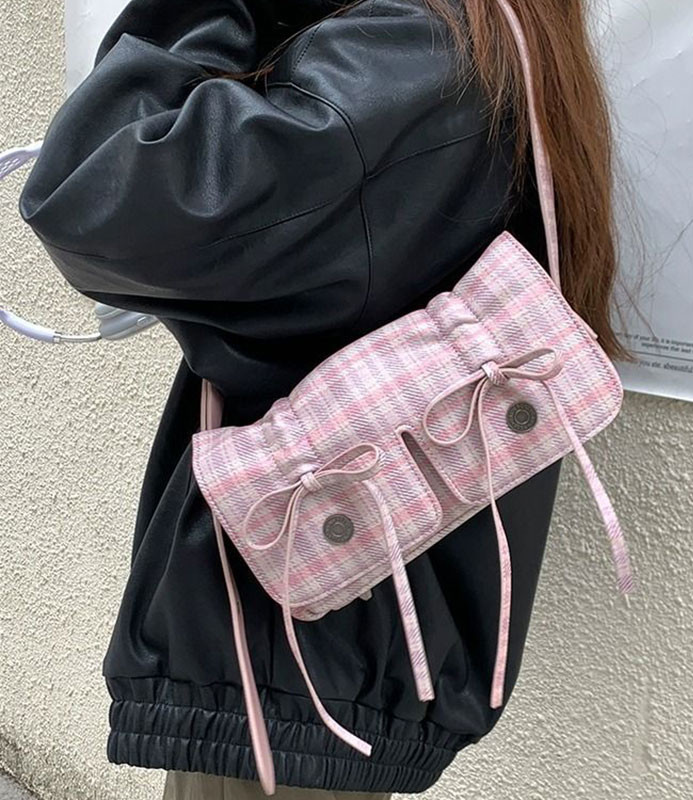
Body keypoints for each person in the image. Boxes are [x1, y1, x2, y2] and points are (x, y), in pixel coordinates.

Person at [18, 0, 624, 797]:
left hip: (289, 654)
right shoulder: (462, 43)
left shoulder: (398, 51)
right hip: (326, 644)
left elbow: (91, 198)